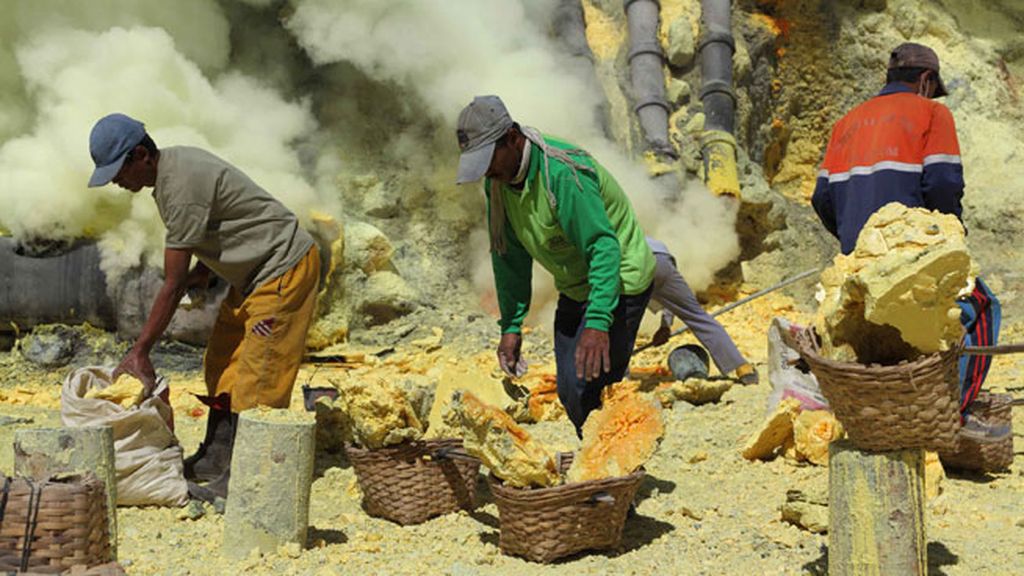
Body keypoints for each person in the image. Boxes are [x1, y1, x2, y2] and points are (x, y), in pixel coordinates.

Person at [87, 113, 321, 499]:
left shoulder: (179, 186)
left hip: (281, 268)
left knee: (260, 374)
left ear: (141, 155)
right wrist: (205, 273)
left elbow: (172, 282)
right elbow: (220, 225)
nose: (115, 180)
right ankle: (217, 456)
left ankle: (249, 479)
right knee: (222, 361)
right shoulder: (171, 172)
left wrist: (141, 349)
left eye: (117, 170)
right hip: (252, 276)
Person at [810, 43, 1002, 440]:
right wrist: (948, 241)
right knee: (981, 307)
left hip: (857, 263)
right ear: (926, 81)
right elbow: (944, 183)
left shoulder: (845, 122)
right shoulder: (932, 112)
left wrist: (853, 242)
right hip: (911, 257)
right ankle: (955, 418)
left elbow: (821, 198)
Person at [455, 95, 655, 435]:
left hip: (619, 279)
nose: (487, 171)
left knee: (595, 383)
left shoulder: (561, 175)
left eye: (489, 159)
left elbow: (603, 248)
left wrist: (598, 321)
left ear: (512, 138)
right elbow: (508, 258)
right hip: (576, 285)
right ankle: (598, 464)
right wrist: (511, 326)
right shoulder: (499, 185)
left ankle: (613, 470)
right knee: (570, 390)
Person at [645, 237, 758, 384]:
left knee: (620, 325)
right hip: (662, 259)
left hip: (632, 266)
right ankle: (743, 369)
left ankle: (616, 378)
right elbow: (668, 295)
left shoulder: (611, 234)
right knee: (698, 318)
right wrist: (665, 326)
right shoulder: (644, 238)